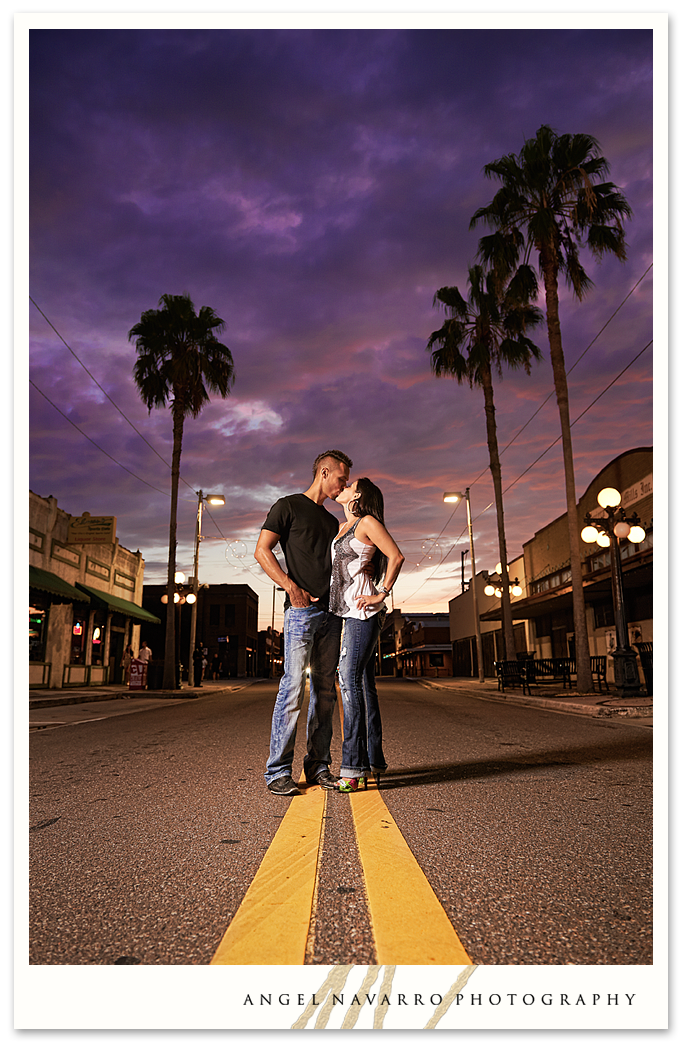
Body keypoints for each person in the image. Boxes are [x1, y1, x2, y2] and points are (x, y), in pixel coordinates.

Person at [255, 450, 353, 796]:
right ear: (324, 472)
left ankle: (317, 765)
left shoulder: (330, 522)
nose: (344, 485)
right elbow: (262, 550)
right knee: (294, 686)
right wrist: (290, 585)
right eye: (341, 478)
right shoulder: (288, 506)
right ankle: (278, 771)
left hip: (332, 614)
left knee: (326, 692)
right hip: (300, 612)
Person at [329, 477, 404, 792]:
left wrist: (381, 593)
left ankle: (353, 767)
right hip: (347, 613)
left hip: (363, 613)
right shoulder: (343, 528)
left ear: (357, 494)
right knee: (361, 684)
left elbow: (396, 556)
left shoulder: (367, 521)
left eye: (349, 484)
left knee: (348, 683)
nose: (343, 486)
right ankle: (373, 759)